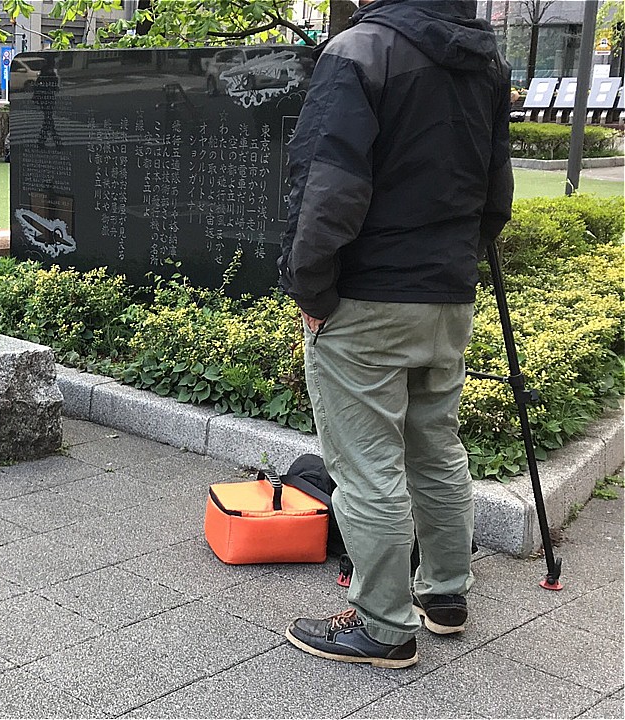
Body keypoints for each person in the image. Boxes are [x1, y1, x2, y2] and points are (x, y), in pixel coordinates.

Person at [278, 0, 513, 668]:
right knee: (436, 448)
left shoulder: (362, 50)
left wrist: (310, 289)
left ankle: (383, 627)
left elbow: (328, 183)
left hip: (368, 297)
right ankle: (446, 596)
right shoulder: (485, 62)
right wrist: (455, 265)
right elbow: (497, 193)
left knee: (367, 467)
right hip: (446, 293)